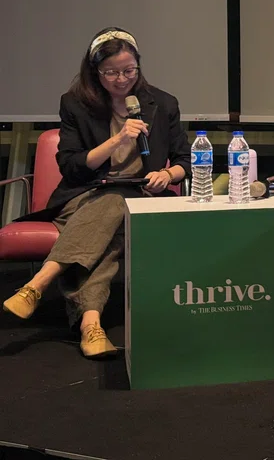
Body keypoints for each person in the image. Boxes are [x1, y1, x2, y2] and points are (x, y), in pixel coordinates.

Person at [2, 28, 190, 358]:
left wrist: (166, 174)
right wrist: (117, 141)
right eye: (111, 73)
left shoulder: (162, 103)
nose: (121, 80)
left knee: (118, 213)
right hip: (84, 195)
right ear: (95, 71)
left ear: (138, 66)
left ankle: (44, 288)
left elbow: (184, 160)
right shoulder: (75, 104)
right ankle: (90, 325)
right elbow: (72, 165)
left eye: (129, 70)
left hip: (140, 195)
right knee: (115, 205)